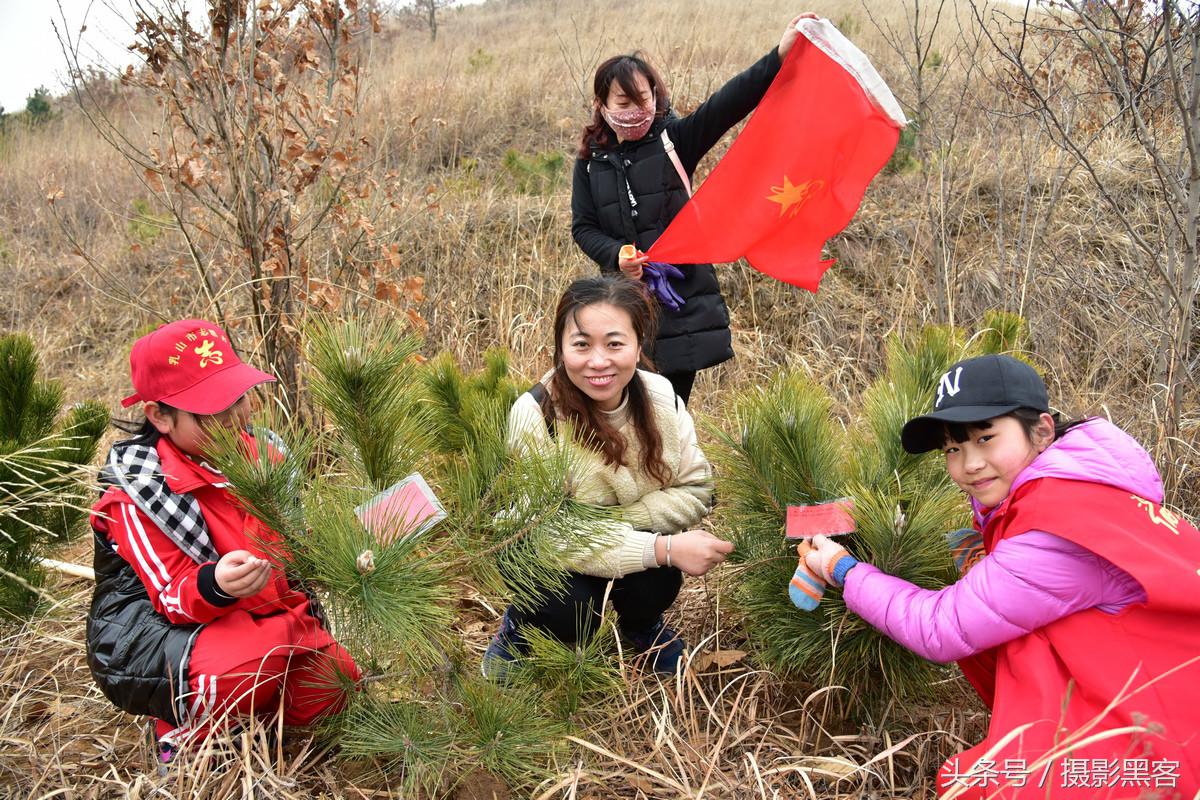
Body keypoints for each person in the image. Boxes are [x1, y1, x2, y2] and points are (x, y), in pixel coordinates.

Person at [797, 354, 1200, 798]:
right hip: (1166, 704)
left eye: (986, 437)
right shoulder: (1086, 489)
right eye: (953, 448)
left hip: (1160, 742)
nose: (968, 464)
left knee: (979, 786)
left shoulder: (1058, 526)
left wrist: (843, 570)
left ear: (1042, 431)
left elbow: (941, 627)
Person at [86, 319, 359, 770]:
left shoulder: (264, 456)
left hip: (269, 617)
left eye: (238, 397)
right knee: (249, 664)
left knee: (338, 687)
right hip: (164, 636)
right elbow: (172, 596)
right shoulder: (138, 491)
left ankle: (258, 714)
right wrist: (216, 583)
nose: (235, 417)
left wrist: (348, 544)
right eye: (211, 410)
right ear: (159, 416)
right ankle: (181, 737)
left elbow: (294, 546)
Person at [483, 276, 733, 677]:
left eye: (615, 343)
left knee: (659, 582)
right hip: (547, 553)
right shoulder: (536, 415)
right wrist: (661, 548)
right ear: (562, 348)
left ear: (638, 344)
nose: (598, 361)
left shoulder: (662, 397)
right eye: (581, 344)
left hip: (613, 533)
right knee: (571, 611)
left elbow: (697, 487)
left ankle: (641, 626)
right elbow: (542, 532)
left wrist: (622, 528)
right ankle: (521, 629)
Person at [571, 13, 817, 405]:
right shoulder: (589, 163)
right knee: (622, 410)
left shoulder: (675, 140)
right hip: (623, 304)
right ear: (601, 105)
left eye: (644, 98)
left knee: (670, 410)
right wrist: (617, 255)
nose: (636, 110)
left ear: (656, 96)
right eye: (624, 101)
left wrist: (780, 54)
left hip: (679, 303)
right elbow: (583, 227)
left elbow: (728, 103)